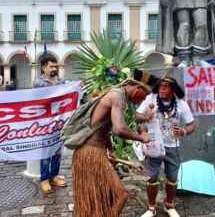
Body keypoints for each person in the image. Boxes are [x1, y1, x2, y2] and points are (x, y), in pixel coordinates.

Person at [61, 69, 159, 217]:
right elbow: (119, 129)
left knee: (101, 197)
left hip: (93, 152)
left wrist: (111, 150)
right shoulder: (117, 96)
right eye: (145, 95)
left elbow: (105, 127)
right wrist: (141, 138)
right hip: (90, 153)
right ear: (138, 88)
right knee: (120, 196)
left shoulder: (116, 94)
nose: (144, 99)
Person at [136, 77, 195, 217]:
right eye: (161, 85)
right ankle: (151, 207)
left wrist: (184, 131)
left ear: (173, 89)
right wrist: (145, 118)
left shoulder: (181, 104)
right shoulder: (151, 99)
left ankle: (169, 205)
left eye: (166, 86)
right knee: (152, 177)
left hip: (172, 146)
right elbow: (137, 115)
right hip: (153, 145)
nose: (162, 88)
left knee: (172, 177)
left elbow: (192, 125)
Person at [33, 54, 83, 194]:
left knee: (57, 150)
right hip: (44, 123)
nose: (54, 69)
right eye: (51, 66)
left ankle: (54, 175)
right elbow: (34, 103)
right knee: (45, 152)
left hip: (59, 123)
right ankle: (44, 179)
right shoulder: (38, 83)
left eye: (55, 66)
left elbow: (68, 94)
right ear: (43, 68)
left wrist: (77, 87)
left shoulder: (60, 81)